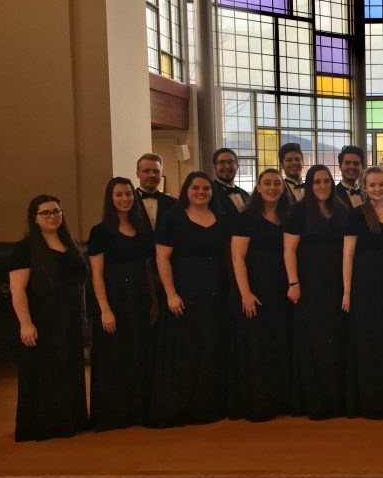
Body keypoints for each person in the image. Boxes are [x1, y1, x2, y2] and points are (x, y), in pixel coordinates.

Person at [149, 172, 231, 427]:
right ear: (187, 190)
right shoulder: (172, 218)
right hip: (184, 291)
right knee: (186, 348)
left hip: (215, 289)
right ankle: (184, 406)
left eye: (206, 188)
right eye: (195, 187)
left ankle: (208, 405)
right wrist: (171, 294)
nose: (201, 192)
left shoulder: (222, 219)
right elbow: (162, 258)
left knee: (211, 346)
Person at [8, 194, 89, 441]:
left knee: (69, 367)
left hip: (69, 318)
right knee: (46, 371)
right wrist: (26, 323)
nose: (53, 216)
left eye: (57, 211)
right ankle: (46, 425)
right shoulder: (25, 248)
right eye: (46, 213)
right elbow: (17, 288)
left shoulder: (69, 243)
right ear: (34, 218)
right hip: (42, 319)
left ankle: (71, 420)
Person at [87, 177, 156, 431]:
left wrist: (153, 301)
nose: (125, 199)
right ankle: (115, 414)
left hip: (139, 296)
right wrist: (105, 308)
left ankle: (139, 410)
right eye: (119, 195)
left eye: (128, 194)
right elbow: (96, 274)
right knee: (115, 356)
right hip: (114, 298)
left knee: (139, 352)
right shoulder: (100, 231)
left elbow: (148, 267)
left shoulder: (143, 228)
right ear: (110, 198)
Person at [284, 165, 349, 420]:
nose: (322, 186)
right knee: (313, 342)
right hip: (309, 286)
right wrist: (293, 283)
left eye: (326, 181)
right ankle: (314, 401)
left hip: (336, 285)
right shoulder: (298, 211)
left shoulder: (342, 210)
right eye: (316, 182)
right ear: (309, 186)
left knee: (335, 342)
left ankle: (335, 400)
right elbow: (289, 250)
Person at [229, 169, 293, 422]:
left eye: (277, 183)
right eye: (267, 183)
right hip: (256, 288)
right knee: (257, 345)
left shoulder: (288, 216)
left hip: (281, 288)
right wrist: (245, 292)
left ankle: (281, 400)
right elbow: (237, 257)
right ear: (257, 188)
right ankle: (259, 402)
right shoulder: (246, 218)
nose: (272, 187)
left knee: (279, 343)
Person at [342, 166, 383, 419]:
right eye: (372, 185)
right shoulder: (356, 215)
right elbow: (348, 254)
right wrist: (347, 291)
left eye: (381, 184)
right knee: (368, 341)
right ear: (364, 188)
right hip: (364, 285)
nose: (377, 189)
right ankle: (368, 402)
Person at [135, 153, 177, 232]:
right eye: (146, 171)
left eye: (156, 171)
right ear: (137, 174)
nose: (152, 175)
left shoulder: (173, 203)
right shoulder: (129, 201)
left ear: (161, 174)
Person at [210, 147, 251, 216]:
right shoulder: (210, 194)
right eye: (221, 162)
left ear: (237, 166)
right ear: (214, 167)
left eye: (231, 162)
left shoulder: (246, 195)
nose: (227, 166)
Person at [335, 145, 365, 210]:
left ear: (361, 167)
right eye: (347, 163)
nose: (352, 167)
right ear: (340, 166)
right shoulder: (332, 194)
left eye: (356, 163)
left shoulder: (365, 193)